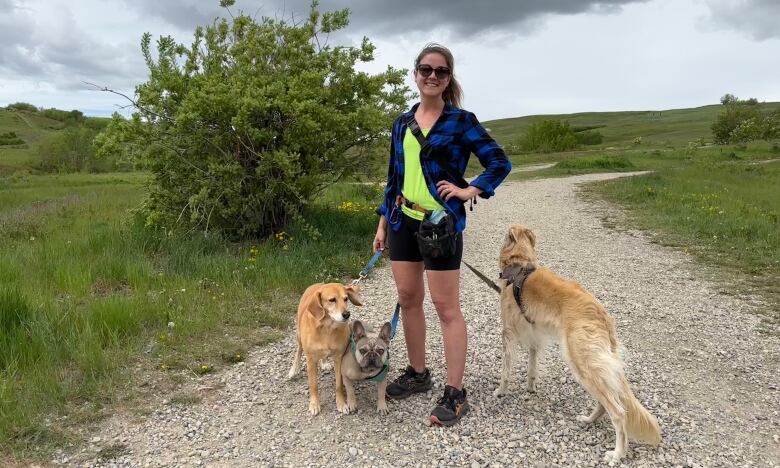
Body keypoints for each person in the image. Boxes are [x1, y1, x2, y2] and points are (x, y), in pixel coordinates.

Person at [373, 43, 512, 426]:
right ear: (415, 74)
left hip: (440, 225)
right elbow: (394, 177)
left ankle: (455, 392)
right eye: (425, 69)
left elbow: (499, 161)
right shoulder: (402, 123)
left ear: (449, 78)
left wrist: (471, 190)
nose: (432, 76)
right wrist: (383, 221)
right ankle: (418, 373)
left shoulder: (461, 121)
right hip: (403, 220)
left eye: (441, 71)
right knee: (408, 297)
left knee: (446, 307)